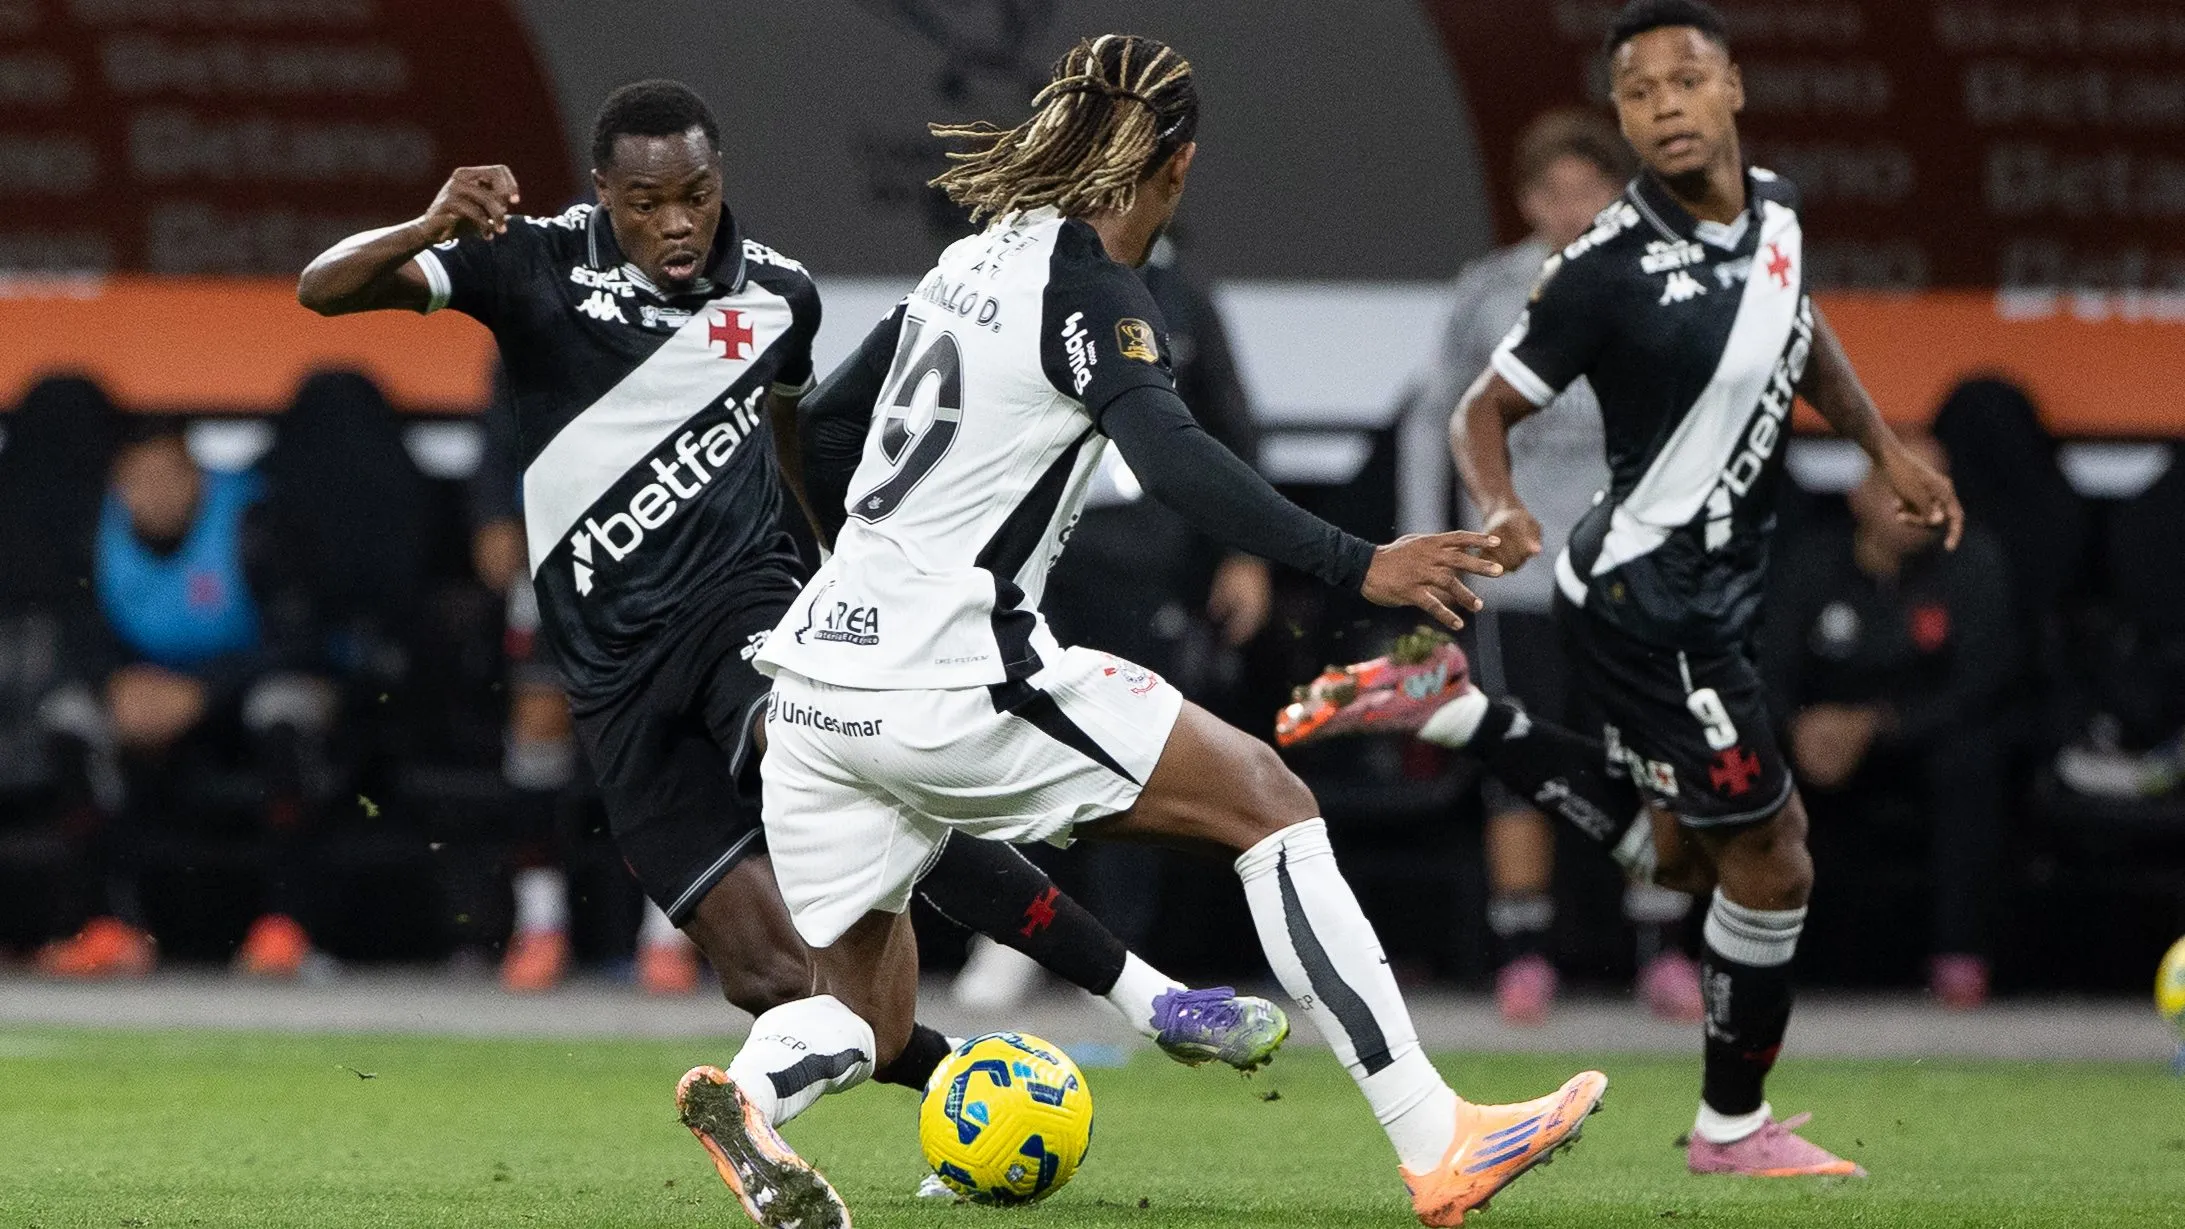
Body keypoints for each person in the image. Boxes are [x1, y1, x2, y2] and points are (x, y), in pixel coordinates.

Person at [694, 36, 1606, 1229]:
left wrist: (861, 577)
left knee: (868, 1012)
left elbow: (818, 428)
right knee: (1270, 801)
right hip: (948, 675)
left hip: (816, 686)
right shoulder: (1094, 290)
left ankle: (748, 1095)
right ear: (1179, 165)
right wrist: (1359, 559)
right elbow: (1173, 461)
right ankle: (1437, 1137)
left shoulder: (972, 259)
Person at [299, 76, 1277, 1101]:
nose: (677, 223)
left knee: (864, 772)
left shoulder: (778, 293)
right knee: (769, 977)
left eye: (695, 194)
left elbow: (794, 437)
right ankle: (969, 1087)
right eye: (647, 203)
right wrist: (427, 224)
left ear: (719, 179)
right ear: (603, 192)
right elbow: (322, 289)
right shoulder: (530, 262)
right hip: (612, 677)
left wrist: (847, 567)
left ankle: (1151, 998)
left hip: (745, 614)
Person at [1281, 0, 1961, 1179]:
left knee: (1696, 857)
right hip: (1651, 596)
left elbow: (1793, 330)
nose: (1665, 106)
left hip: (1720, 586)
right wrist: (1497, 507)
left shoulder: (1777, 209)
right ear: (1623, 119)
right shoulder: (1601, 268)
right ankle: (1731, 1127)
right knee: (1773, 859)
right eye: (1638, 93)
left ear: (1732, 86)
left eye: (1684, 80)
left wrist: (1881, 448)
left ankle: (1456, 712)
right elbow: (1477, 408)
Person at [1406, 107, 1699, 1025]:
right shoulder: (1488, 291)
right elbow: (1433, 420)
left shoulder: (1658, 285)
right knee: (1518, 760)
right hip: (1516, 578)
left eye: (1588, 189)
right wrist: (1424, 547)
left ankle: (1664, 952)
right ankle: (1523, 954)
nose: (1570, 208)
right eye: (1552, 192)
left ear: (1618, 195)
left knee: (1652, 762)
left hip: (1627, 573)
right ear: (1526, 201)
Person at [1762, 438, 2010, 1008]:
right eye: (1898, 488)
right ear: (1859, 496)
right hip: (1815, 743)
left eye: (1930, 489)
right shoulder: (1810, 562)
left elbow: (1981, 684)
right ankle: (1741, 955)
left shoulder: (1973, 563)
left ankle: (1960, 955)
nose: (1915, 504)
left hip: (1919, 741)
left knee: (1973, 758)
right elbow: (1766, 668)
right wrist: (1796, 727)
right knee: (1738, 759)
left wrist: (1875, 726)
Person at [83, 427, 340, 977]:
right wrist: (116, 683)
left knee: (285, 711)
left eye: (167, 477)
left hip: (245, 689)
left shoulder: (255, 523)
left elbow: (302, 639)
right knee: (72, 720)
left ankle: (287, 926)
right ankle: (108, 926)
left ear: (195, 476)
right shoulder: (98, 531)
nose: (154, 494)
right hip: (155, 703)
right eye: (137, 481)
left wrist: (203, 692)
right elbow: (78, 631)